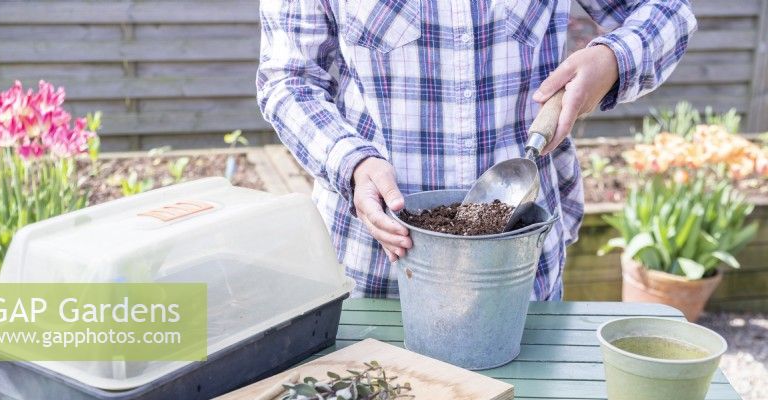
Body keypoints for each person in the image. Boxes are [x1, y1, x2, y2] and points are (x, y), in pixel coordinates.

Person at [257, 1, 696, 298]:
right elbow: (288, 79)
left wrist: (613, 60)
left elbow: (667, 11)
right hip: (376, 267)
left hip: (522, 263)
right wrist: (351, 162)